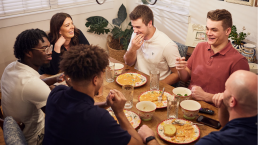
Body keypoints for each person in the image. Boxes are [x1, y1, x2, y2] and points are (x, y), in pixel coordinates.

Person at [43, 44, 144, 145]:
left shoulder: (57, 93)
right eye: (102, 73)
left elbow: (75, 108)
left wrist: (105, 104)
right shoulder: (99, 119)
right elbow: (137, 143)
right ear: (95, 79)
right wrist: (119, 112)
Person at [137, 70, 257, 145]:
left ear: (232, 101)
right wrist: (223, 105)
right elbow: (227, 126)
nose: (222, 93)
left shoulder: (214, 141)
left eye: (225, 89)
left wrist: (150, 138)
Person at [1, 29, 63, 145]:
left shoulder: (11, 68)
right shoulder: (32, 84)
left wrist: (55, 78)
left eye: (50, 47)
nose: (50, 52)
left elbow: (29, 87)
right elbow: (59, 117)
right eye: (44, 49)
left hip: (17, 129)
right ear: (28, 52)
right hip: (37, 139)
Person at [176, 9, 249, 103]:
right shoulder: (200, 47)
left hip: (216, 112)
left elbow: (239, 99)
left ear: (227, 31)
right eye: (207, 28)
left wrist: (206, 96)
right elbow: (185, 77)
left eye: (214, 30)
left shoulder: (238, 61)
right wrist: (181, 69)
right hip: (189, 103)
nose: (209, 33)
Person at [124, 5, 180, 86]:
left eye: (138, 27)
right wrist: (132, 49)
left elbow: (177, 74)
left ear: (149, 23)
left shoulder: (167, 45)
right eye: (133, 27)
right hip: (136, 80)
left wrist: (156, 85)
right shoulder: (135, 34)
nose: (135, 30)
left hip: (155, 86)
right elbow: (128, 63)